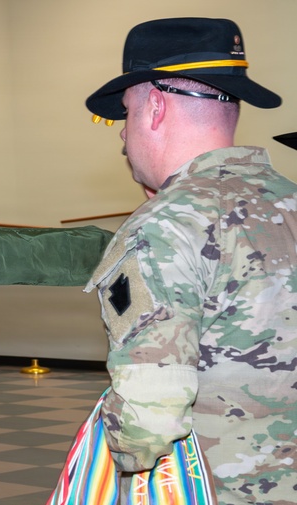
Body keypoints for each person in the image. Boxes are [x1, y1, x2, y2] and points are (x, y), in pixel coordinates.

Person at [83, 17, 295, 503]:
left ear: (155, 107)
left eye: (126, 113)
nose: (122, 135)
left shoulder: (165, 225)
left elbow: (148, 421)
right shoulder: (289, 201)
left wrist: (114, 454)